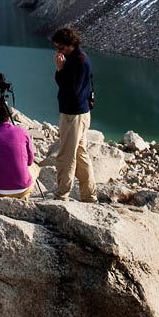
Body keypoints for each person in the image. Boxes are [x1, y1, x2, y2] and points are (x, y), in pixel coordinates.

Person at [52, 26, 97, 203]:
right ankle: (89, 195)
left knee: (66, 155)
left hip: (73, 114)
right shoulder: (76, 58)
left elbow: (72, 89)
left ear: (71, 44)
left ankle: (62, 194)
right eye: (56, 48)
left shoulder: (78, 61)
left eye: (61, 47)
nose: (58, 51)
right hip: (79, 113)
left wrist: (59, 69)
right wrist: (61, 69)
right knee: (80, 153)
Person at [0, 100, 40, 199]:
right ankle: (24, 196)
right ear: (7, 116)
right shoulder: (22, 131)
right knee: (35, 167)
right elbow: (30, 161)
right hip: (22, 189)